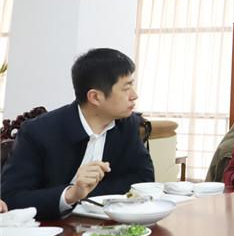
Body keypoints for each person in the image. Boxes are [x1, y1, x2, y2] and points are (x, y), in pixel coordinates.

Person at [0, 48, 154, 220]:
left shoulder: (127, 124)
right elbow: (11, 198)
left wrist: (86, 195)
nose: (134, 95)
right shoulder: (38, 132)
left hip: (106, 224)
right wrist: (70, 195)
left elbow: (144, 179)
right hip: (51, 228)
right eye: (126, 88)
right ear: (95, 97)